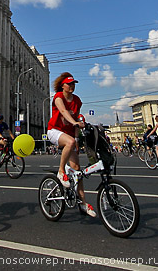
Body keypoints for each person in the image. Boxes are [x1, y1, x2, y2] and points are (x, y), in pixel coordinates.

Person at [46, 73, 96, 218]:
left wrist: (76, 135)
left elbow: (76, 118)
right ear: (63, 86)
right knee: (70, 142)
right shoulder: (58, 97)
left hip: (69, 135)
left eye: (73, 83)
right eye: (69, 84)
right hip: (54, 131)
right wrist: (74, 124)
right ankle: (61, 172)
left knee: (77, 171)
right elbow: (63, 111)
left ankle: (83, 203)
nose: (72, 86)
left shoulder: (77, 101)